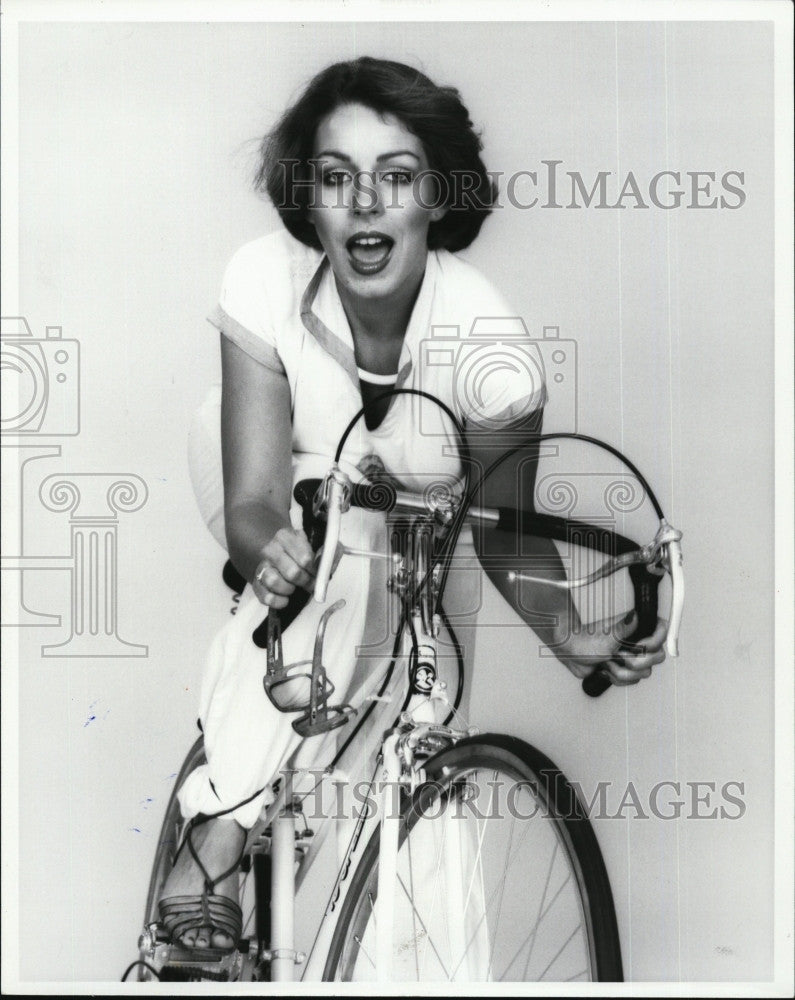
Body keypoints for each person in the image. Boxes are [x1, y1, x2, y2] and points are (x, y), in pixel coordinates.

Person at [159, 56, 668, 952]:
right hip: (276, 481)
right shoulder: (262, 279)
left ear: (435, 197)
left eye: (395, 176)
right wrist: (266, 547)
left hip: (419, 523)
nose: (364, 202)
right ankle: (218, 833)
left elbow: (504, 540)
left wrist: (577, 636)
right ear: (306, 195)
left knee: (425, 724)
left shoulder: (493, 350)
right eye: (335, 176)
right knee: (335, 544)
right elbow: (250, 499)